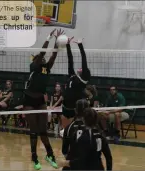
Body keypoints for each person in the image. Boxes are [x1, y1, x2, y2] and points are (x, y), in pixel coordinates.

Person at [23, 29, 64, 170]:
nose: (42, 59)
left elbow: (53, 55)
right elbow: (42, 53)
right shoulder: (33, 67)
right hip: (29, 101)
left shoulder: (47, 68)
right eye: (39, 58)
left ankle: (50, 154)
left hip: (40, 101)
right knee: (33, 131)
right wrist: (48, 37)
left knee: (43, 131)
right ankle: (34, 157)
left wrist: (57, 42)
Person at [61, 37, 91, 135]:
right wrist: (68, 45)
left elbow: (84, 60)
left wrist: (80, 45)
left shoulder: (83, 81)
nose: (80, 69)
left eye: (82, 70)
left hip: (74, 109)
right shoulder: (72, 75)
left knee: (73, 132)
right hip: (65, 107)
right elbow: (70, 60)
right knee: (65, 133)